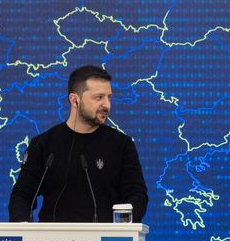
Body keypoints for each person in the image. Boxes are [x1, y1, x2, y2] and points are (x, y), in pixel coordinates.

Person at [8, 65, 148, 222]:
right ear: (75, 100)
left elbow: (137, 195)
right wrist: (22, 230)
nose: (107, 105)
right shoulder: (44, 144)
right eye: (99, 97)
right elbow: (23, 195)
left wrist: (123, 229)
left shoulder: (122, 145)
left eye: (109, 97)